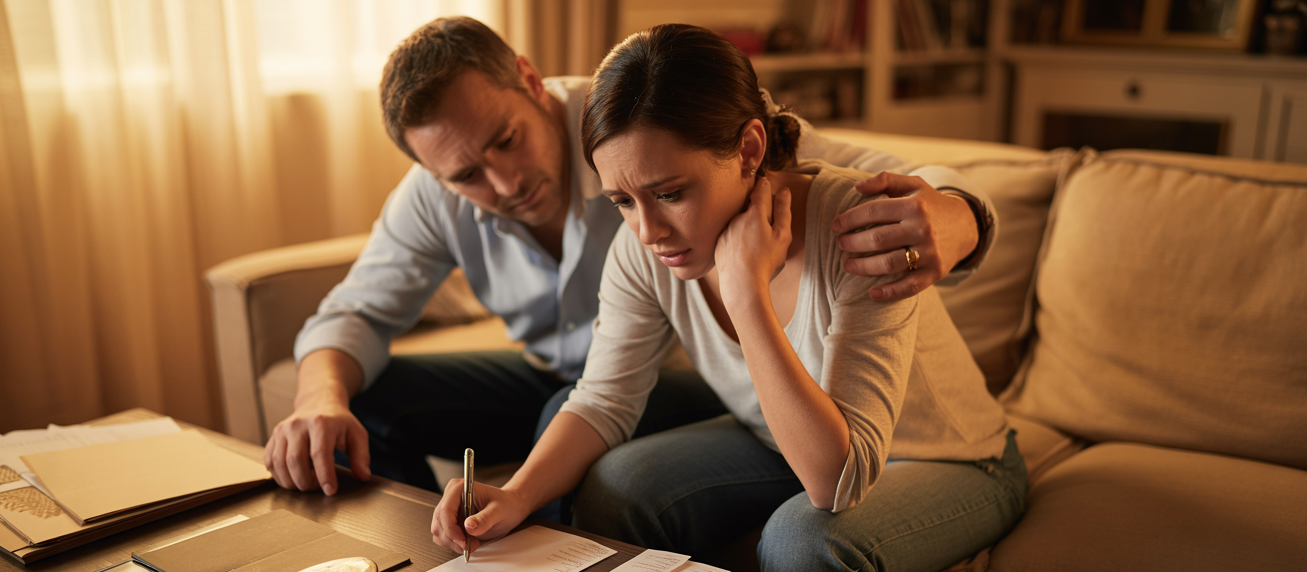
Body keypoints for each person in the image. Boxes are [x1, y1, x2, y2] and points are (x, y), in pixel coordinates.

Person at [263, 17, 1001, 506]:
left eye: (506, 142)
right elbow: (354, 312)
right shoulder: (437, 193)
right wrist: (317, 401)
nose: (503, 184)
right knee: (365, 397)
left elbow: (820, 163)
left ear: (528, 80)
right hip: (582, 381)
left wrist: (961, 212)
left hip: (689, 383)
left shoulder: (640, 123)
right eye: (463, 176)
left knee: (579, 426)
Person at [430, 24, 1027, 572]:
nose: (647, 231)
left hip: (948, 460)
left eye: (669, 192)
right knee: (615, 484)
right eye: (621, 200)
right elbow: (604, 399)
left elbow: (835, 482)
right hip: (776, 437)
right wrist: (515, 495)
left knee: (804, 543)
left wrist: (746, 294)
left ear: (748, 150)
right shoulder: (643, 248)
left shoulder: (859, 229)